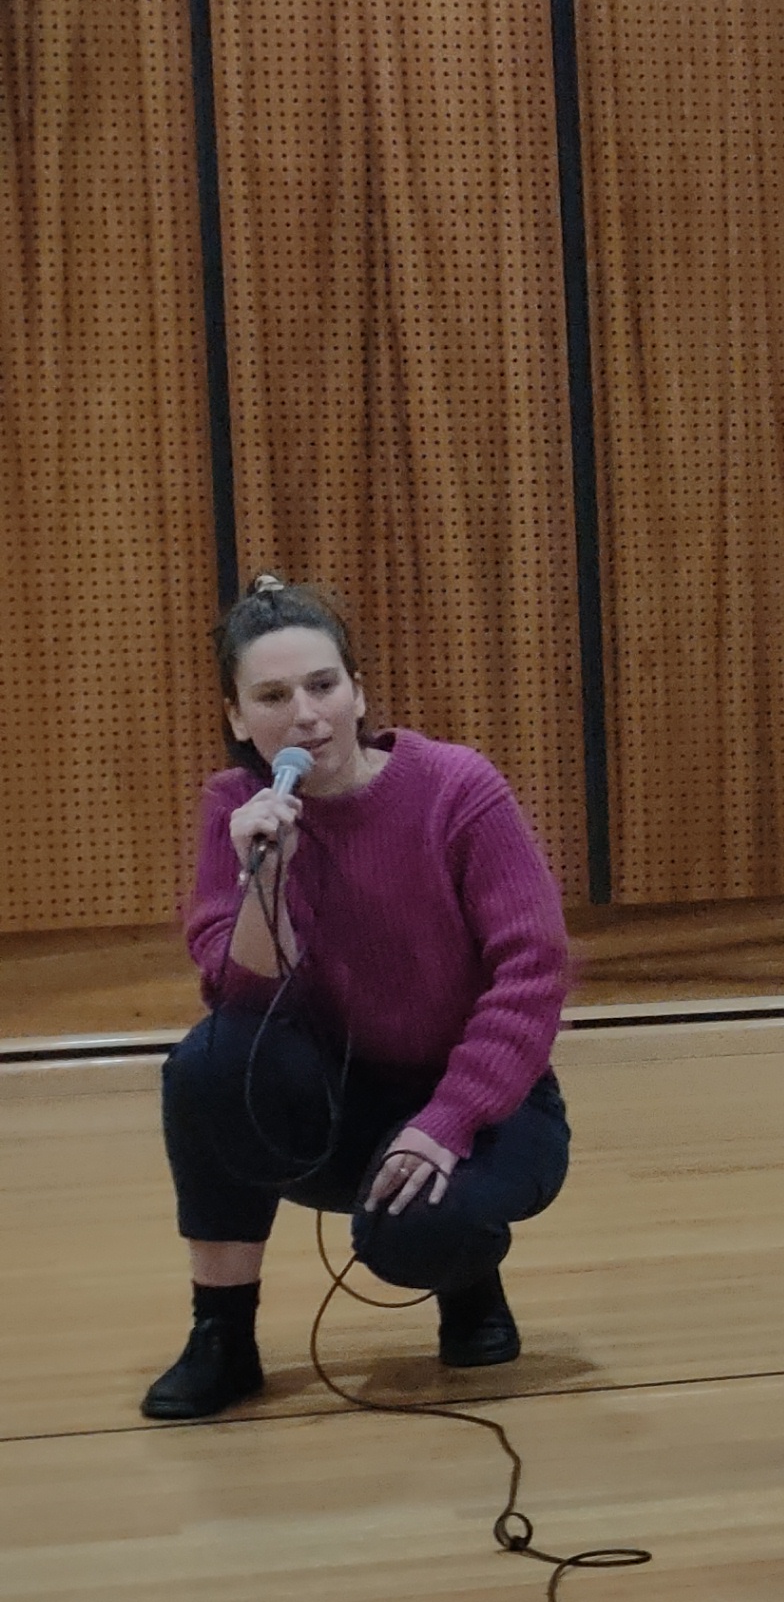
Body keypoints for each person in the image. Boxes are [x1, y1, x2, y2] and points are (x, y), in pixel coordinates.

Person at [143, 577, 576, 1421]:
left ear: (357, 691)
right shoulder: (235, 809)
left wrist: (446, 1122)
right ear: (238, 718)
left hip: (481, 1105)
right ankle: (222, 1336)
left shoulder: (456, 787)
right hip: (336, 1101)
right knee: (204, 1065)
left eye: (322, 685)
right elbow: (238, 999)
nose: (304, 715)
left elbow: (532, 971)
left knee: (413, 1238)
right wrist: (263, 876)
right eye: (272, 696)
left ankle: (468, 1281)